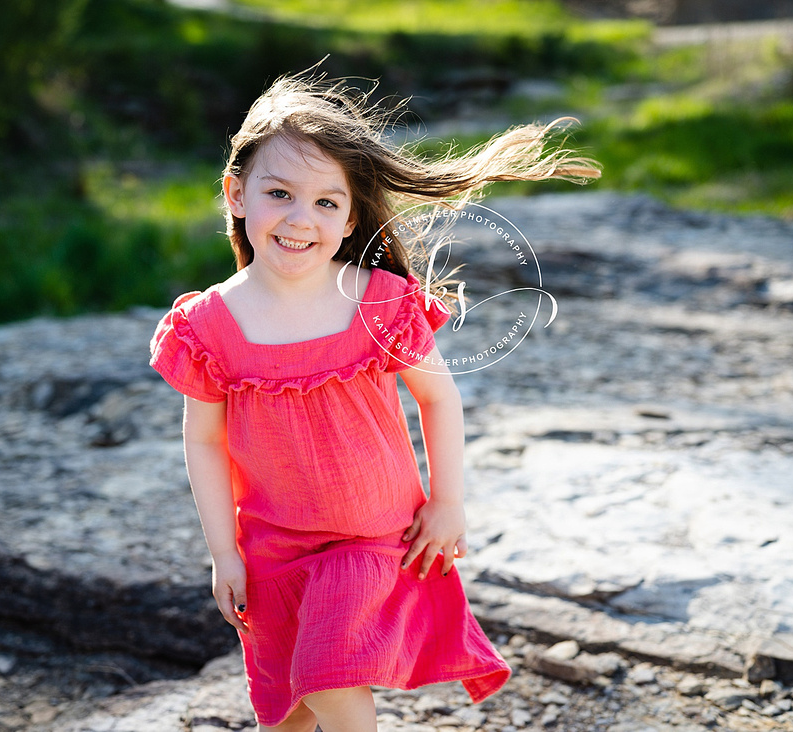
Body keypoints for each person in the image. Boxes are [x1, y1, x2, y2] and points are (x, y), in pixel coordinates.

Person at [149, 70, 600, 732]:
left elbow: (438, 401)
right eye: (280, 194)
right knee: (288, 712)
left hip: (372, 540)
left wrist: (447, 502)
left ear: (352, 216)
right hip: (272, 548)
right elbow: (205, 440)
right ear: (237, 194)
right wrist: (225, 553)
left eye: (327, 203)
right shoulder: (210, 325)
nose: (302, 219)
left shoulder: (379, 303)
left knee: (333, 681)